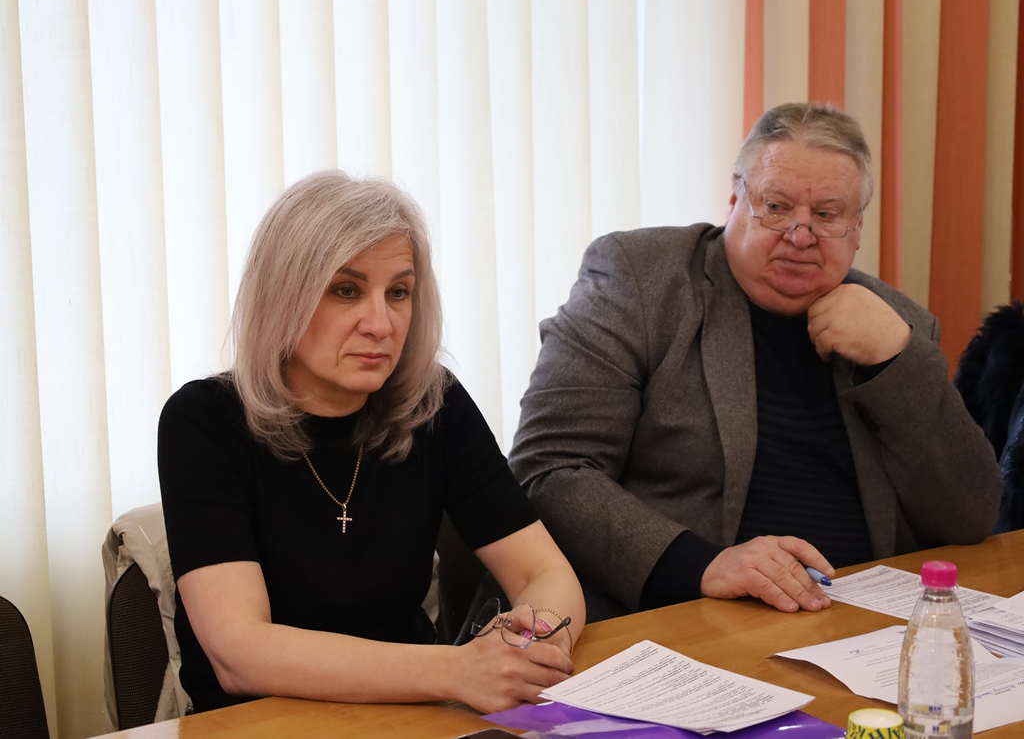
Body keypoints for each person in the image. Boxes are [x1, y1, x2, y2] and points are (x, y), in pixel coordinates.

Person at [509, 102, 1002, 623]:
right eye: (777, 206)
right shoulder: (641, 280)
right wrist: (702, 565)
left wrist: (895, 360)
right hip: (684, 616)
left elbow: (968, 517)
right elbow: (551, 468)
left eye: (827, 215)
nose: (801, 235)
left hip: (860, 622)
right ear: (735, 201)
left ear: (858, 227)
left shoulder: (897, 324)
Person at [158, 170, 585, 714]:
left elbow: (544, 573)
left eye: (399, 292)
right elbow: (241, 654)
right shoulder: (203, 421)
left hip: (411, 715)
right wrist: (457, 670)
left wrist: (538, 638)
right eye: (347, 290)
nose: (382, 324)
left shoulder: (435, 404)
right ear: (283, 297)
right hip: (260, 723)